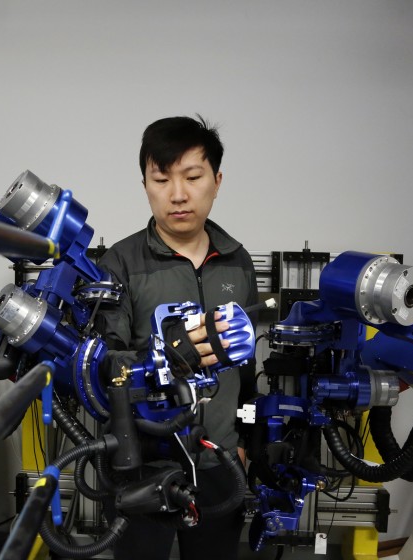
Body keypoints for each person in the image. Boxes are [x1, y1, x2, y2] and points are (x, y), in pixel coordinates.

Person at [95, 114, 259, 560]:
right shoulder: (119, 264)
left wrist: (244, 441)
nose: (178, 194)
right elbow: (104, 363)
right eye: (161, 179)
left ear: (216, 180)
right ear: (145, 183)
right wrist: (169, 355)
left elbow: (248, 372)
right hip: (144, 461)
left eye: (192, 177)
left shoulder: (238, 262)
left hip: (219, 462)